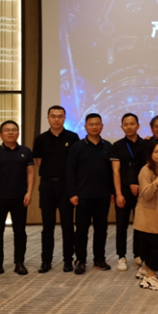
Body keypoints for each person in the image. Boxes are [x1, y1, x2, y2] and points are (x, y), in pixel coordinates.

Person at [0, 120, 35, 278]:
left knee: (20, 232)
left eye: (14, 130)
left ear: (18, 133)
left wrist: (29, 192)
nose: (11, 132)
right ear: (1, 134)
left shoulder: (25, 151)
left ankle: (19, 263)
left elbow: (31, 173)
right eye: (7, 130)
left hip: (20, 198)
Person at [32, 106, 79, 274]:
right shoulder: (41, 139)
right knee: (48, 226)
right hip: (47, 185)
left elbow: (75, 162)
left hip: (66, 185)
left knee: (67, 225)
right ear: (48, 118)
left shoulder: (73, 137)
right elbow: (39, 162)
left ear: (65, 118)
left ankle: (68, 260)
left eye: (60, 116)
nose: (57, 119)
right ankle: (46, 261)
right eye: (53, 116)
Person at [67, 113, 114, 275]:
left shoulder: (108, 146)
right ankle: (80, 260)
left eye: (97, 124)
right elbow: (70, 171)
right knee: (81, 230)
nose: (94, 127)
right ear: (85, 126)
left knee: (101, 229)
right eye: (91, 124)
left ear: (102, 126)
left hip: (103, 195)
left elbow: (112, 172)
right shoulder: (77, 147)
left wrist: (112, 192)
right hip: (83, 195)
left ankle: (99, 259)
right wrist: (72, 193)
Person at [110, 113, 146, 272]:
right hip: (124, 190)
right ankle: (121, 256)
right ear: (122, 127)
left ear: (138, 125)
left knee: (140, 225)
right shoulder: (117, 146)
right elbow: (116, 172)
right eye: (126, 124)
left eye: (132, 124)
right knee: (121, 225)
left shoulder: (145, 144)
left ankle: (138, 255)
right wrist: (118, 194)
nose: (129, 127)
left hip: (143, 190)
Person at [135, 140, 158, 291]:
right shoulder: (146, 170)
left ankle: (144, 269)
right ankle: (150, 277)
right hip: (147, 216)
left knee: (151, 247)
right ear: (150, 154)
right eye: (156, 152)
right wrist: (156, 183)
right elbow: (146, 195)